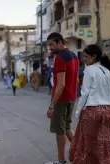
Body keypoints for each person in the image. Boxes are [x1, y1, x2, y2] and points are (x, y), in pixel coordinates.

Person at [69, 44, 110, 164]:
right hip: (107, 110)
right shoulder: (107, 71)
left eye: (86, 57)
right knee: (104, 141)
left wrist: (77, 112)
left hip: (92, 110)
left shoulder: (89, 70)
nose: (83, 59)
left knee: (87, 143)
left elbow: (84, 93)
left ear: (94, 57)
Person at [45, 32, 79, 164]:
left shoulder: (60, 58)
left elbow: (61, 84)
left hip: (61, 99)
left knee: (60, 131)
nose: (50, 48)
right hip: (71, 97)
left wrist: (51, 105)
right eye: (49, 45)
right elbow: (75, 79)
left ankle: (61, 161)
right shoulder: (74, 55)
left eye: (52, 44)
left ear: (60, 43)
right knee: (67, 128)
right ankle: (81, 155)